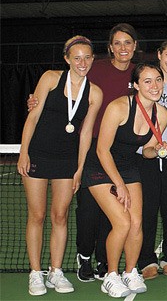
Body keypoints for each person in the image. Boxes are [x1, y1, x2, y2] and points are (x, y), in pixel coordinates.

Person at [27, 23, 139, 282]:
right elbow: (43, 108)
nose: (123, 48)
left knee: (104, 213)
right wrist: (34, 102)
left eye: (128, 42)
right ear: (110, 48)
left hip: (118, 152)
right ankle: (83, 257)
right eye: (118, 43)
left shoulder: (139, 73)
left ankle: (101, 261)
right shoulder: (92, 69)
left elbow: (163, 79)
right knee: (86, 211)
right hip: (86, 150)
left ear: (135, 46)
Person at [18, 35, 102, 296]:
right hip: (38, 156)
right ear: (67, 59)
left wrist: (78, 168)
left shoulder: (95, 93)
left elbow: (86, 133)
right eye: (76, 57)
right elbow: (33, 117)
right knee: (37, 215)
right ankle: (35, 273)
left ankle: (56, 271)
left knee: (60, 216)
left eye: (87, 57)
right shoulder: (50, 78)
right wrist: (23, 152)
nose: (82, 62)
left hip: (67, 161)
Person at [82, 63, 167, 298]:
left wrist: (160, 149)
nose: (154, 86)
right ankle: (111, 276)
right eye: (147, 81)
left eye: (158, 80)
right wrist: (118, 185)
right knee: (121, 223)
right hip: (100, 167)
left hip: (129, 167)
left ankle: (130, 272)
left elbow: (147, 151)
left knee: (135, 223)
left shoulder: (161, 114)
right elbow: (102, 150)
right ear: (135, 85)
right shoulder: (119, 107)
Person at [135, 39, 167, 280]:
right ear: (159, 54)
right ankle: (145, 260)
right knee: (145, 211)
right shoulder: (146, 82)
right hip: (144, 156)